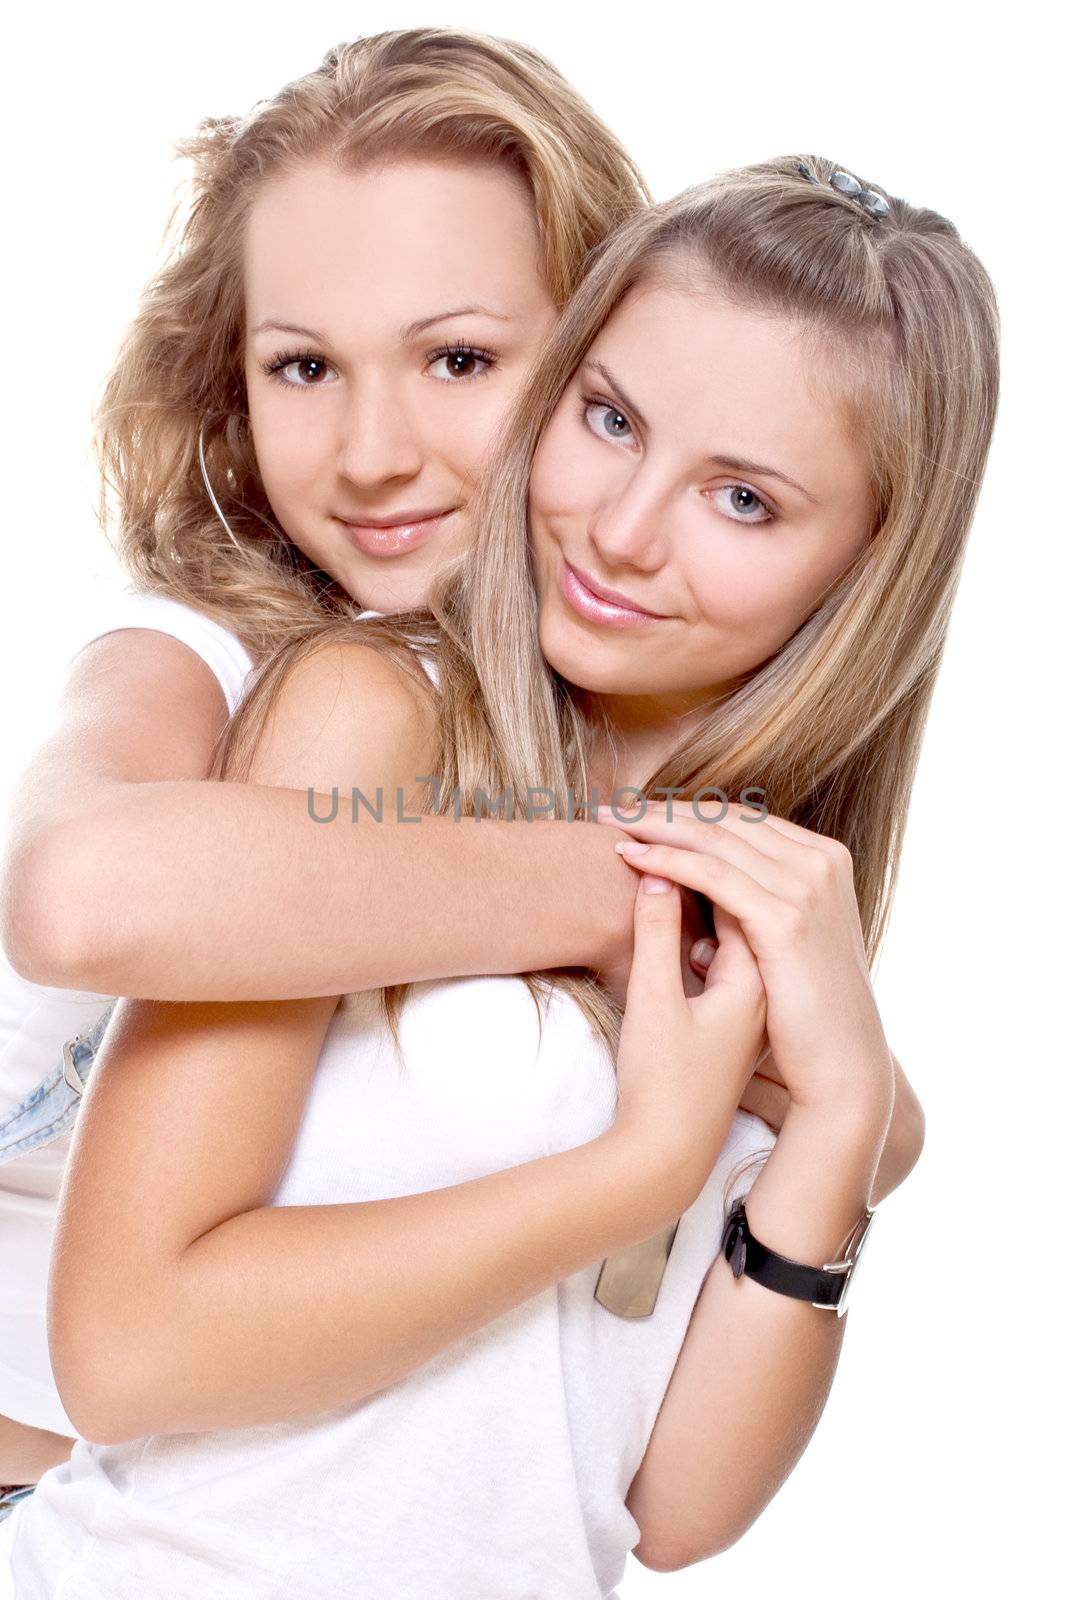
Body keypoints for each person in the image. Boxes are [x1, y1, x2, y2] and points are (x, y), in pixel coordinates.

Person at [4, 153, 994, 1594]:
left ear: (869, 565)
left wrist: (845, 1121)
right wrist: (640, 1164)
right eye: (610, 422)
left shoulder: (771, 904)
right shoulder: (379, 713)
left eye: (743, 500)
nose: (621, 528)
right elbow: (128, 1351)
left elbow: (668, 1509)